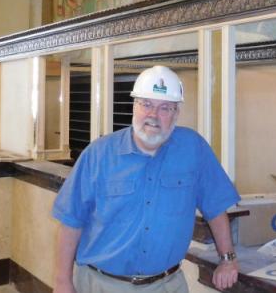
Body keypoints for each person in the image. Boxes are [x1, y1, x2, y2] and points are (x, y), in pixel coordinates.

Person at [52, 65, 241, 293]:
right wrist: (62, 282)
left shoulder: (193, 149)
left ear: (176, 113)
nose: (153, 115)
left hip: (167, 285)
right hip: (102, 285)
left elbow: (216, 206)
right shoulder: (99, 154)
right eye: (147, 104)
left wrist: (228, 258)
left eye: (165, 108)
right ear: (135, 106)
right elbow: (71, 221)